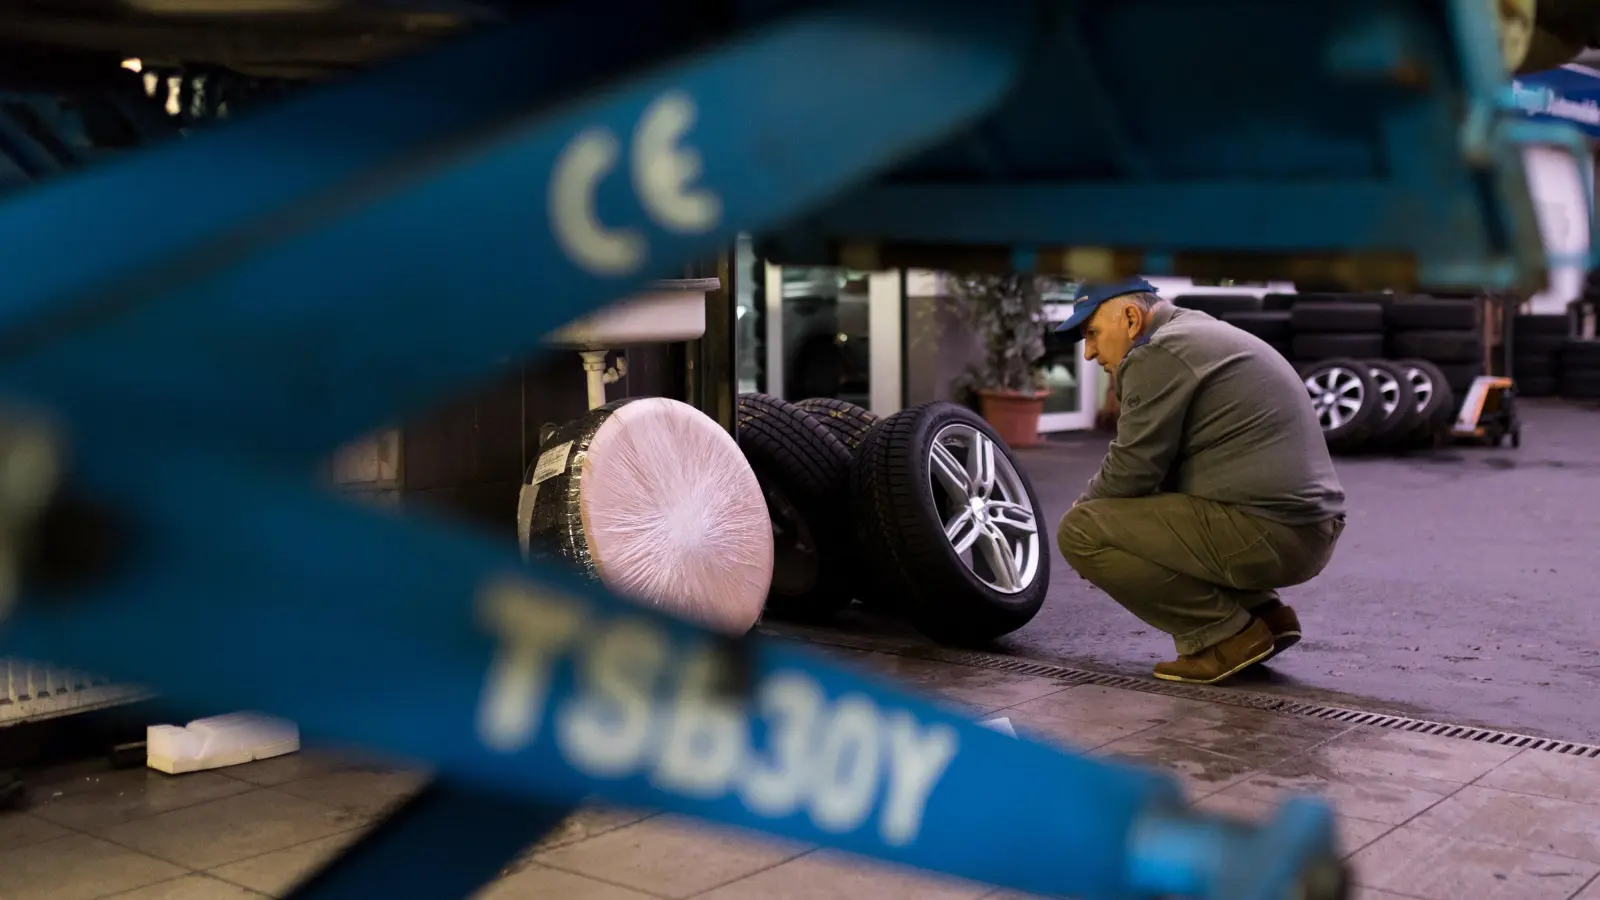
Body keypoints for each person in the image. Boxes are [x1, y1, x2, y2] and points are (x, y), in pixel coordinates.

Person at [1053, 278, 1346, 685]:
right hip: (1303, 529)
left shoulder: (1158, 352)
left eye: (1092, 333)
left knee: (1082, 532)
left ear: (1131, 318)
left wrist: (1084, 510)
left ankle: (1225, 637)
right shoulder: (1195, 330)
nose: (1088, 353)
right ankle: (1263, 616)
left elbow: (1132, 468)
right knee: (1145, 504)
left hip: (1275, 532)